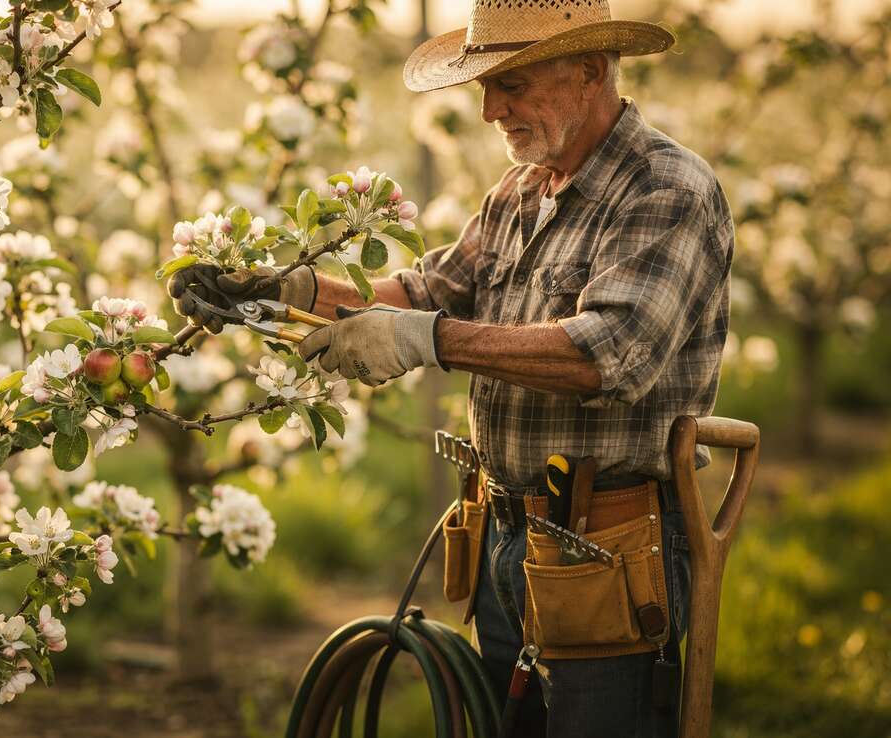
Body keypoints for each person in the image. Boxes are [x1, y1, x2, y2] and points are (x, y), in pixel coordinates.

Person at [170, 1, 734, 735]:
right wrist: (285, 292)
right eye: (485, 88)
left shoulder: (666, 190)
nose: (492, 109)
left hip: (609, 547)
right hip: (505, 534)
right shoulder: (521, 191)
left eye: (515, 85)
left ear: (591, 71)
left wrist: (422, 339)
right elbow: (426, 292)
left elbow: (607, 352)